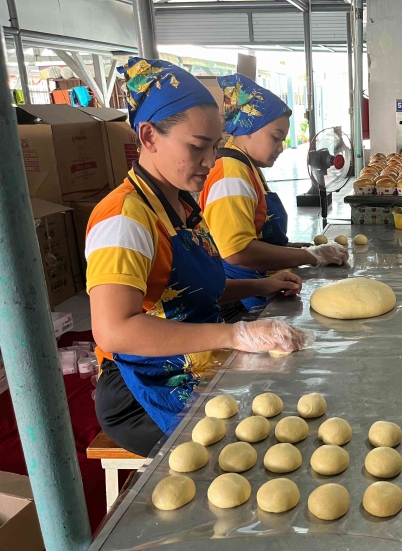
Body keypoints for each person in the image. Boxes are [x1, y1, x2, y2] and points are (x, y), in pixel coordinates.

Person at [86, 59, 311, 457]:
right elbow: (114, 331)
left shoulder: (179, 206)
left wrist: (261, 285)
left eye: (214, 145)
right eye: (197, 147)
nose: (210, 161)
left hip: (194, 359)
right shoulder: (124, 218)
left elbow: (188, 294)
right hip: (145, 389)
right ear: (149, 135)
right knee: (256, 450)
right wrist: (235, 334)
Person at [200, 74, 348, 311]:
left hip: (261, 283)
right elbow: (237, 251)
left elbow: (257, 235)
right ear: (248, 129)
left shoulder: (246, 167)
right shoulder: (231, 175)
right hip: (239, 298)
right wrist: (312, 256)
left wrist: (298, 248)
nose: (280, 148)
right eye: (275, 138)